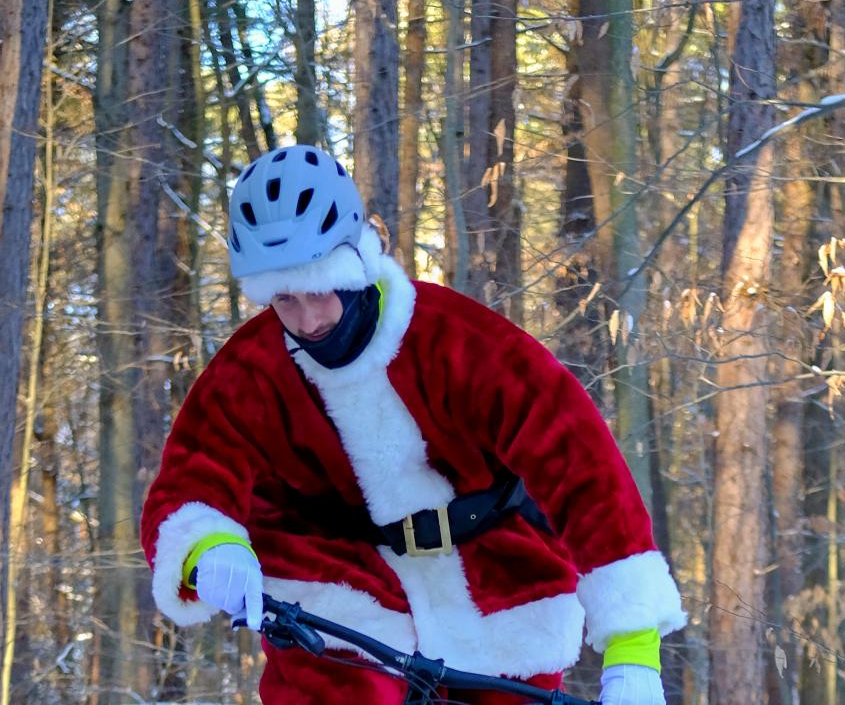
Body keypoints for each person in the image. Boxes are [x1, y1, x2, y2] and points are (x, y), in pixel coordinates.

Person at [141, 144, 685, 704]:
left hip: (498, 584)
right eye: (283, 299)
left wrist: (633, 648)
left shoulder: (461, 342)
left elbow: (582, 468)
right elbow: (190, 481)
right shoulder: (248, 372)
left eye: (318, 289)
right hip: (337, 600)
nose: (307, 320)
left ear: (353, 260)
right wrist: (208, 548)